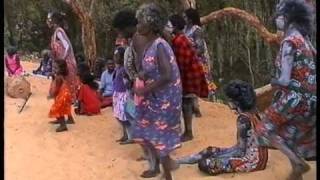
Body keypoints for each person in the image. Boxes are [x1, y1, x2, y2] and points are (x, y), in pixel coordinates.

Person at [255, 1, 316, 180]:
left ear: (289, 18)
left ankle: (298, 163)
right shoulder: (305, 40)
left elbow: (284, 79)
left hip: (293, 99)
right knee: (290, 135)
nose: (278, 21)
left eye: (280, 17)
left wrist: (273, 82)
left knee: (264, 129)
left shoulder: (289, 42)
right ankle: (297, 173)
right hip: (311, 100)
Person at [131, 3, 182, 180]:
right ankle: (167, 172)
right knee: (149, 132)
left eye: (140, 23)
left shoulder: (160, 45)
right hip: (155, 97)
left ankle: (168, 167)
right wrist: (143, 75)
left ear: (151, 24)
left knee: (158, 134)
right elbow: (153, 68)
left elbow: (167, 75)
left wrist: (145, 89)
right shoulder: (150, 45)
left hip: (165, 99)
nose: (137, 26)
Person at [176, 80, 269, 175]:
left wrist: (219, 157)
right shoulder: (255, 113)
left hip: (252, 162)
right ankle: (182, 160)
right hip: (256, 157)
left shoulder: (243, 120)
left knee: (206, 163)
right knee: (210, 150)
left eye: (230, 100)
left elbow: (240, 151)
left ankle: (182, 161)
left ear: (235, 102)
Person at [167, 14, 208, 142]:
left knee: (186, 103)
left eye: (169, 25)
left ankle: (188, 132)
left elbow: (181, 64)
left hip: (189, 75)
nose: (167, 27)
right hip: (191, 73)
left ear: (174, 26)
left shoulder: (179, 41)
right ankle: (187, 131)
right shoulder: (180, 39)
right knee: (187, 102)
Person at [183, 8, 217, 116]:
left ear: (190, 19)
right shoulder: (184, 29)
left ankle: (207, 109)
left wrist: (190, 56)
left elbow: (200, 48)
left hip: (197, 61)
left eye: (185, 17)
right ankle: (195, 108)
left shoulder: (197, 30)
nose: (184, 18)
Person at [47, 11, 79, 102]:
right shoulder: (55, 33)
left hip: (66, 62)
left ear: (54, 20)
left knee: (67, 80)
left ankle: (69, 98)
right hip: (61, 62)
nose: (48, 22)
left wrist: (63, 59)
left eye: (49, 19)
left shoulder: (59, 32)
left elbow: (67, 46)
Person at [48, 59, 75, 132]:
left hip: (63, 95)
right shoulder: (59, 75)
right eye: (53, 67)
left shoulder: (58, 77)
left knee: (57, 109)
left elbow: (56, 88)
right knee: (63, 108)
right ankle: (70, 119)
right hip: (65, 94)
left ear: (61, 69)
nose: (54, 69)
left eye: (56, 68)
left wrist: (51, 95)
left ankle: (63, 125)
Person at [112, 47, 132, 144]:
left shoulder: (123, 69)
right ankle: (125, 135)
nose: (115, 58)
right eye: (115, 56)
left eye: (117, 56)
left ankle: (130, 136)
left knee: (124, 116)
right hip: (117, 94)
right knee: (119, 116)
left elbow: (127, 83)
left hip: (123, 95)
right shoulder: (118, 68)